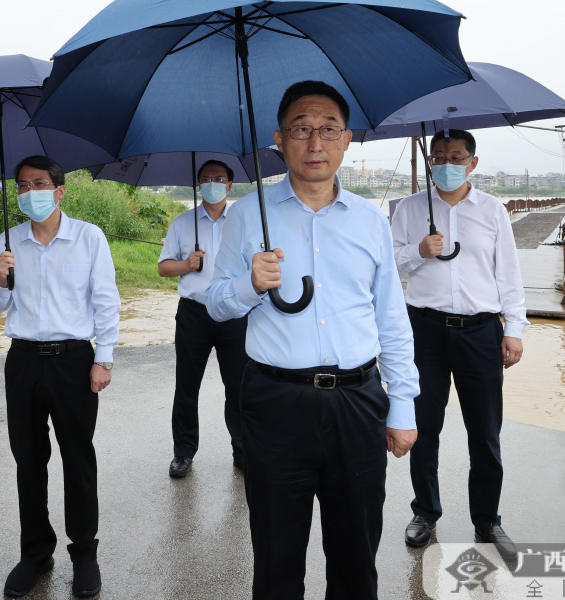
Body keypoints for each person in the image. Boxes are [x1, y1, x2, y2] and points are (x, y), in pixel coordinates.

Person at [206, 80, 419, 599]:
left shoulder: (371, 220)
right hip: (275, 401)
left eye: (328, 129)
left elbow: (391, 316)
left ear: (347, 139)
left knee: (355, 555)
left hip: (357, 401)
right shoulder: (247, 215)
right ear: (280, 139)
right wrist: (247, 284)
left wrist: (404, 404)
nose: (315, 142)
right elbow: (215, 302)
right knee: (277, 555)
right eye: (301, 129)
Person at [389, 129, 527, 567]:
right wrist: (418, 251)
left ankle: (487, 519)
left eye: (456, 156)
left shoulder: (492, 211)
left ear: (473, 162)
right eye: (440, 156)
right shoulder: (409, 209)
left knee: (484, 432)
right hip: (424, 330)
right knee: (423, 426)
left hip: (480, 331)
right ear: (430, 160)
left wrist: (515, 328)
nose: (447, 163)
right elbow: (388, 263)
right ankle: (425, 512)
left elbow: (508, 272)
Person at [0, 156, 119, 599]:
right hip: (23, 359)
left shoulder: (88, 237)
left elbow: (106, 301)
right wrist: (3, 278)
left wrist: (105, 358)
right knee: (28, 459)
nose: (29, 193)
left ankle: (85, 553)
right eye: (22, 186)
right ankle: (36, 553)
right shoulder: (8, 241)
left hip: (73, 359)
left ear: (60, 190)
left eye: (39, 184)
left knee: (78, 458)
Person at [158, 159, 247, 478]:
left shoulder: (242, 221)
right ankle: (183, 451)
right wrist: (186, 265)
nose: (212, 183)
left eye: (218, 178)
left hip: (234, 312)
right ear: (198, 184)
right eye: (206, 179)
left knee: (238, 386)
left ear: (229, 185)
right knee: (186, 385)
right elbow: (163, 266)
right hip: (194, 313)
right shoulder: (182, 223)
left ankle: (242, 449)